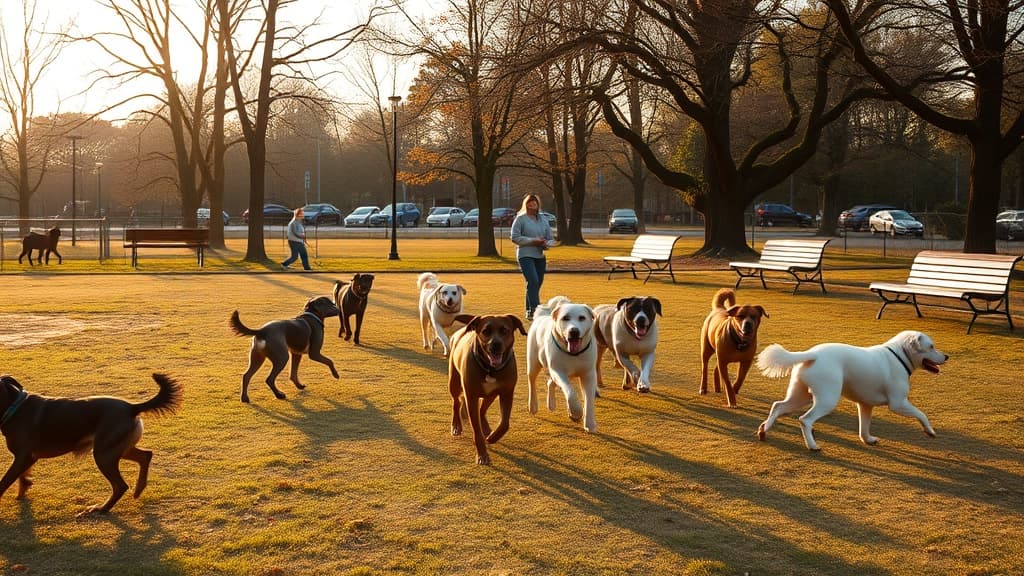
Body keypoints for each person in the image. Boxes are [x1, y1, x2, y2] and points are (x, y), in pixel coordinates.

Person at [510, 194, 554, 320]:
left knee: (535, 284)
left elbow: (550, 238)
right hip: (525, 255)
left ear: (537, 204)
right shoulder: (520, 219)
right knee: (533, 281)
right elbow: (515, 237)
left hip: (539, 255)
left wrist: (546, 244)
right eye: (529, 203)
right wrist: (532, 241)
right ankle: (536, 310)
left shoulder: (543, 219)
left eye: (534, 202)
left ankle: (529, 310)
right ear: (526, 204)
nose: (532, 205)